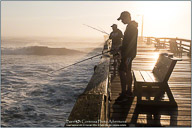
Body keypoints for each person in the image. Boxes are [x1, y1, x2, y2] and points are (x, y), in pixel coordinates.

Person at [117, 11, 138, 99]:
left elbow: (131, 42)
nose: (121, 21)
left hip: (128, 54)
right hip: (128, 53)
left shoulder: (131, 27)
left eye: (122, 19)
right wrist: (121, 47)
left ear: (127, 17)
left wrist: (125, 53)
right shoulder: (130, 26)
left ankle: (125, 93)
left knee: (122, 71)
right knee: (127, 70)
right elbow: (127, 41)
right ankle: (128, 91)